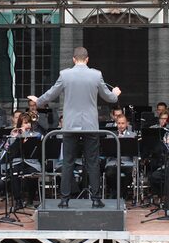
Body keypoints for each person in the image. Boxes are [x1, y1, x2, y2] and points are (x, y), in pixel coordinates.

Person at [29, 46, 121, 209]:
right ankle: (96, 199)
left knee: (68, 162)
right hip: (90, 125)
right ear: (87, 59)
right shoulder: (96, 74)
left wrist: (38, 101)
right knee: (92, 162)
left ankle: (65, 199)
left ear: (73, 59)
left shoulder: (65, 74)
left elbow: (51, 94)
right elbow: (109, 98)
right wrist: (115, 93)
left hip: (70, 124)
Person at [104, 114, 136, 199]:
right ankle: (115, 192)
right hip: (113, 162)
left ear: (126, 124)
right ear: (116, 124)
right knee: (109, 173)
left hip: (127, 162)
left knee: (129, 173)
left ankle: (122, 193)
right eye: (119, 123)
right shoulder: (110, 135)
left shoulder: (133, 135)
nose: (121, 125)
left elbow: (135, 151)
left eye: (123, 123)